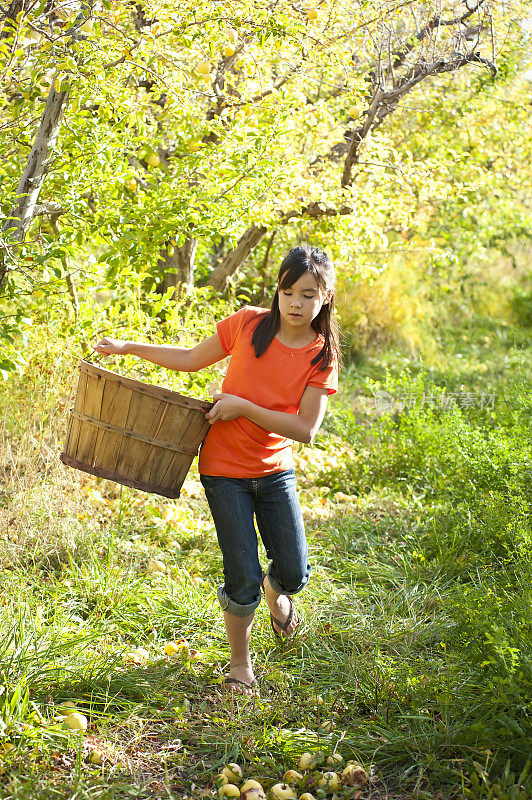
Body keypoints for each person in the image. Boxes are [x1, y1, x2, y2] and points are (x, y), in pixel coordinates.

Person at [93, 243, 340, 696]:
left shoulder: (320, 356)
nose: (296, 304)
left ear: (325, 297)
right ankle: (240, 666)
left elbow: (305, 429)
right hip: (223, 469)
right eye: (288, 292)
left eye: (308, 294)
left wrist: (242, 407)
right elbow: (189, 358)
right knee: (240, 573)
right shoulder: (248, 324)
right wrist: (128, 347)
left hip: (274, 471)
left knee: (295, 571)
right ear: (278, 292)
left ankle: (276, 589)